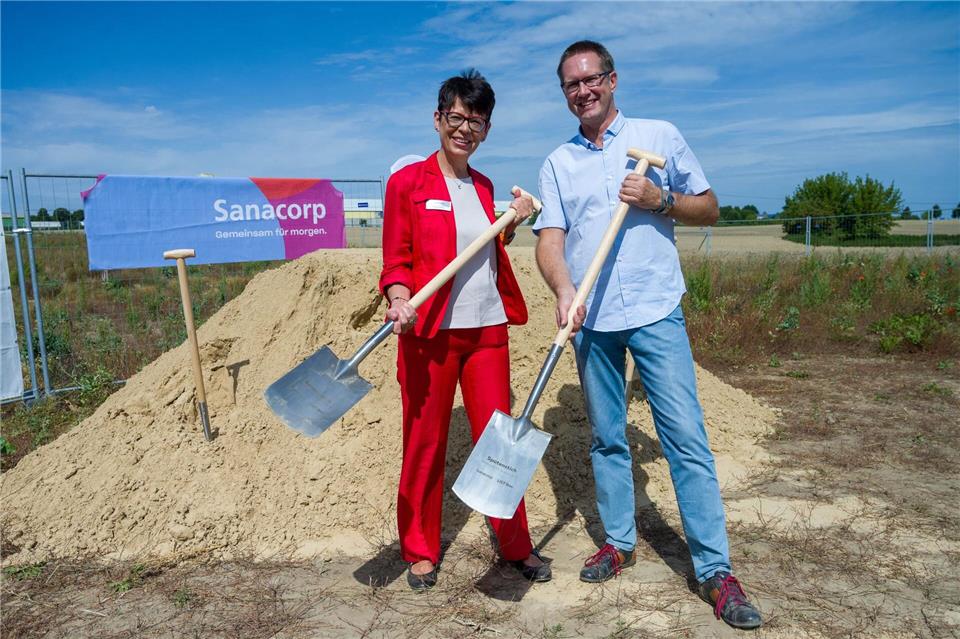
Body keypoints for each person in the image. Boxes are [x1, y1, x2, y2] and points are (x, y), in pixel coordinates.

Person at [533, 41, 762, 629]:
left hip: (656, 308)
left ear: (612, 79)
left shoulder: (659, 137)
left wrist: (663, 200)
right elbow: (550, 238)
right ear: (564, 93)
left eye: (591, 79)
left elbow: (710, 208)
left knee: (685, 437)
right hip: (593, 318)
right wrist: (563, 291)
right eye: (570, 85)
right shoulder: (558, 162)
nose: (582, 91)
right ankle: (619, 542)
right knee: (607, 437)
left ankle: (715, 570)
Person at [379, 69, 550, 592]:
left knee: (500, 442)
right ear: (437, 119)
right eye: (456, 117)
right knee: (425, 441)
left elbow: (483, 248)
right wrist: (399, 298)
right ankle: (421, 549)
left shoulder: (484, 186)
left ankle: (515, 545)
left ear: (486, 129)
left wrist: (512, 221)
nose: (464, 129)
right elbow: (396, 259)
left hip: (487, 333)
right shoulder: (406, 183)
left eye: (476, 121)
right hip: (429, 333)